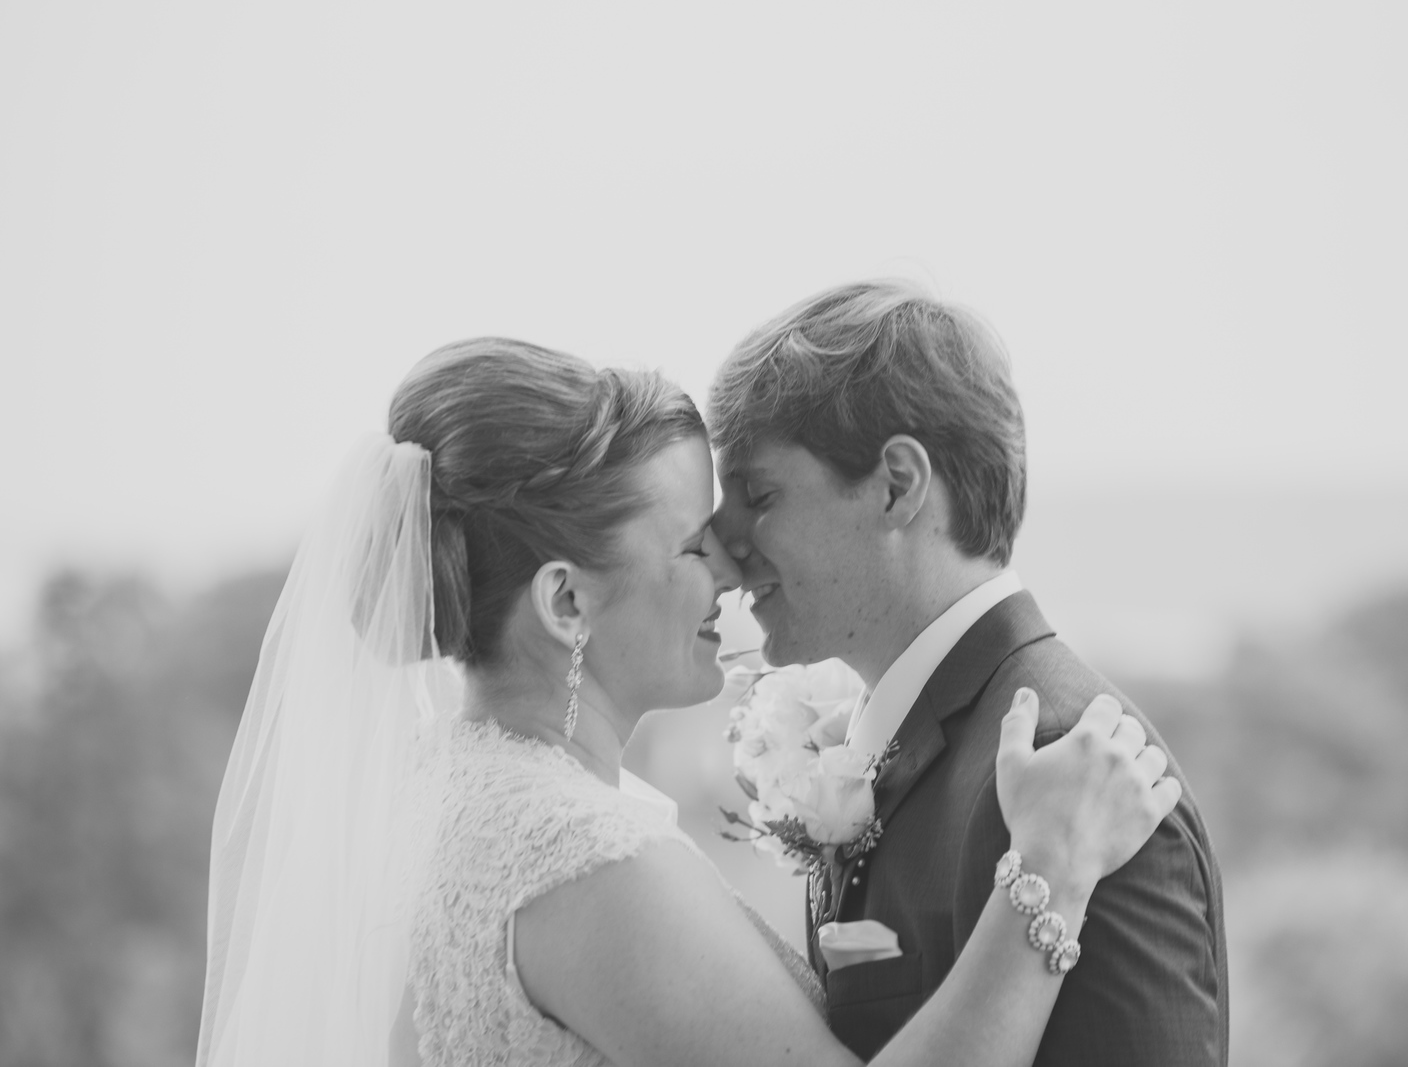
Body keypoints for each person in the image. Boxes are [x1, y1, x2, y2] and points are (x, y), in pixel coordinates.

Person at [197, 337, 1182, 1067]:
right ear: (566, 600)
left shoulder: (439, 788)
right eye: (687, 542)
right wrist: (1048, 873)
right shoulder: (585, 862)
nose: (727, 564)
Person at [708, 281, 1229, 1064]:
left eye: (759, 496)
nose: (720, 542)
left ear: (898, 486)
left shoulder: (1073, 771)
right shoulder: (896, 739)